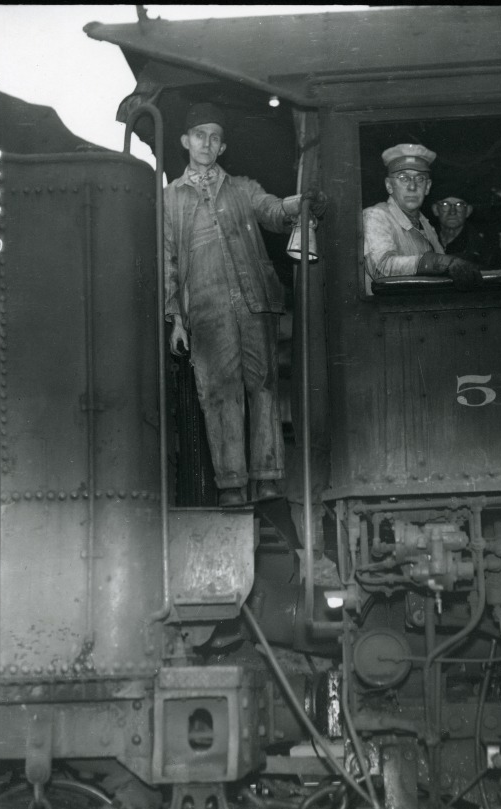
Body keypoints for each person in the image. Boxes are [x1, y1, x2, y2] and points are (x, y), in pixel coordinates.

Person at [164, 102, 326, 507]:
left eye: (214, 137)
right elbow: (166, 259)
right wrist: (176, 319)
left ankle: (268, 479)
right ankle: (232, 485)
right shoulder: (169, 200)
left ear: (222, 148)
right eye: (199, 135)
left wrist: (298, 204)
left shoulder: (243, 188)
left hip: (254, 302)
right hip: (205, 307)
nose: (207, 142)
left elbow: (272, 211)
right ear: (186, 142)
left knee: (265, 387)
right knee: (219, 393)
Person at [363, 144, 483, 290]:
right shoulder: (376, 216)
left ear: (427, 187)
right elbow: (381, 268)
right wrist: (439, 262)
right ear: (389, 185)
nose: (412, 187)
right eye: (403, 178)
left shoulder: (424, 224)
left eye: (420, 179)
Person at [431, 194, 487, 266]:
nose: (452, 212)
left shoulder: (481, 247)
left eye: (459, 205)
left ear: (468, 211)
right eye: (445, 204)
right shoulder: (425, 238)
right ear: (435, 209)